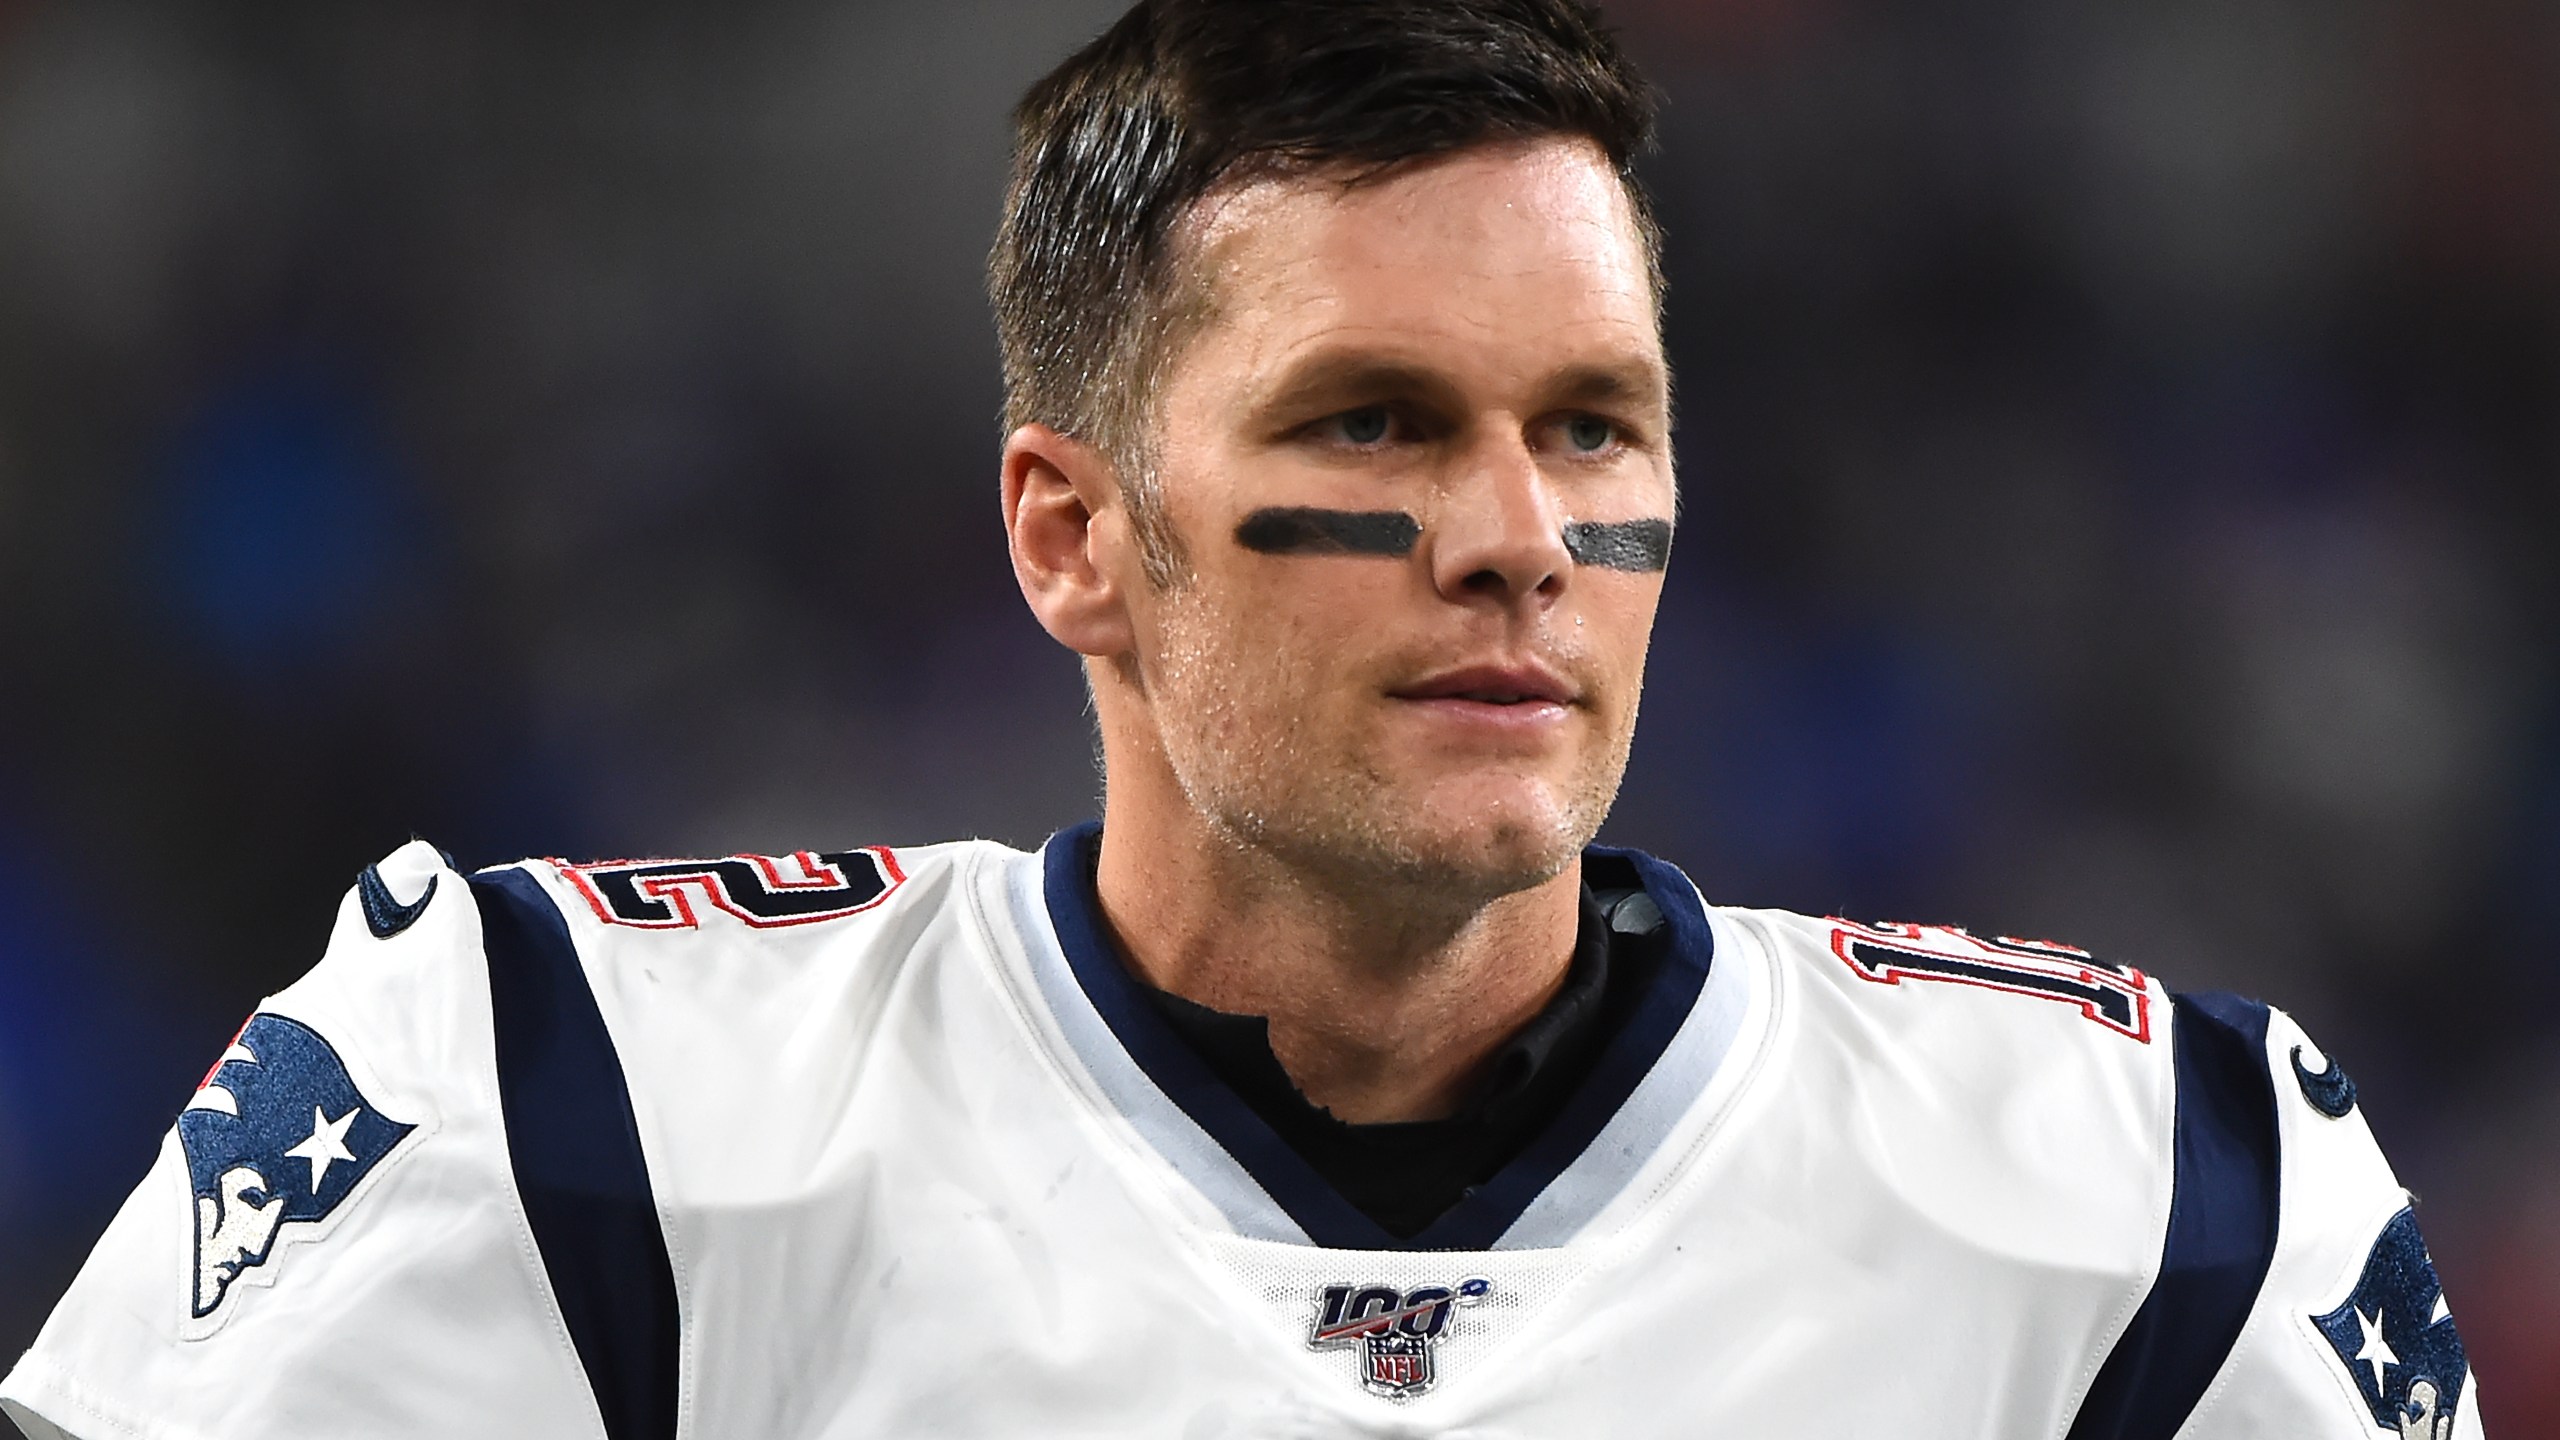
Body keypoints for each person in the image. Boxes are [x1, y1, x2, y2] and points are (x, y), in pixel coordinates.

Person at [0, 2, 2484, 1436]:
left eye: (1590, 424)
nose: (1514, 531)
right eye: (1371, 425)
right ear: (1072, 534)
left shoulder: (2147, 1202)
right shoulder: (571, 1109)